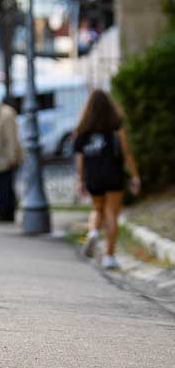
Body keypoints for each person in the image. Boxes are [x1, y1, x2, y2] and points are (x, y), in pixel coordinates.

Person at [74, 89, 140, 269]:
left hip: (93, 176)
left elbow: (79, 158)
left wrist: (80, 180)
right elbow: (126, 153)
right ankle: (109, 256)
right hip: (113, 174)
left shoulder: (83, 129)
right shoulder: (115, 126)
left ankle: (93, 231)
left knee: (97, 208)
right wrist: (134, 176)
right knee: (111, 212)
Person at [0, 98, 23, 222]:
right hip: (1, 159)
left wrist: (12, 157)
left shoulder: (6, 115)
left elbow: (11, 138)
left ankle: (5, 213)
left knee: (5, 187)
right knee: (3, 186)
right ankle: (4, 212)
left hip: (6, 159)